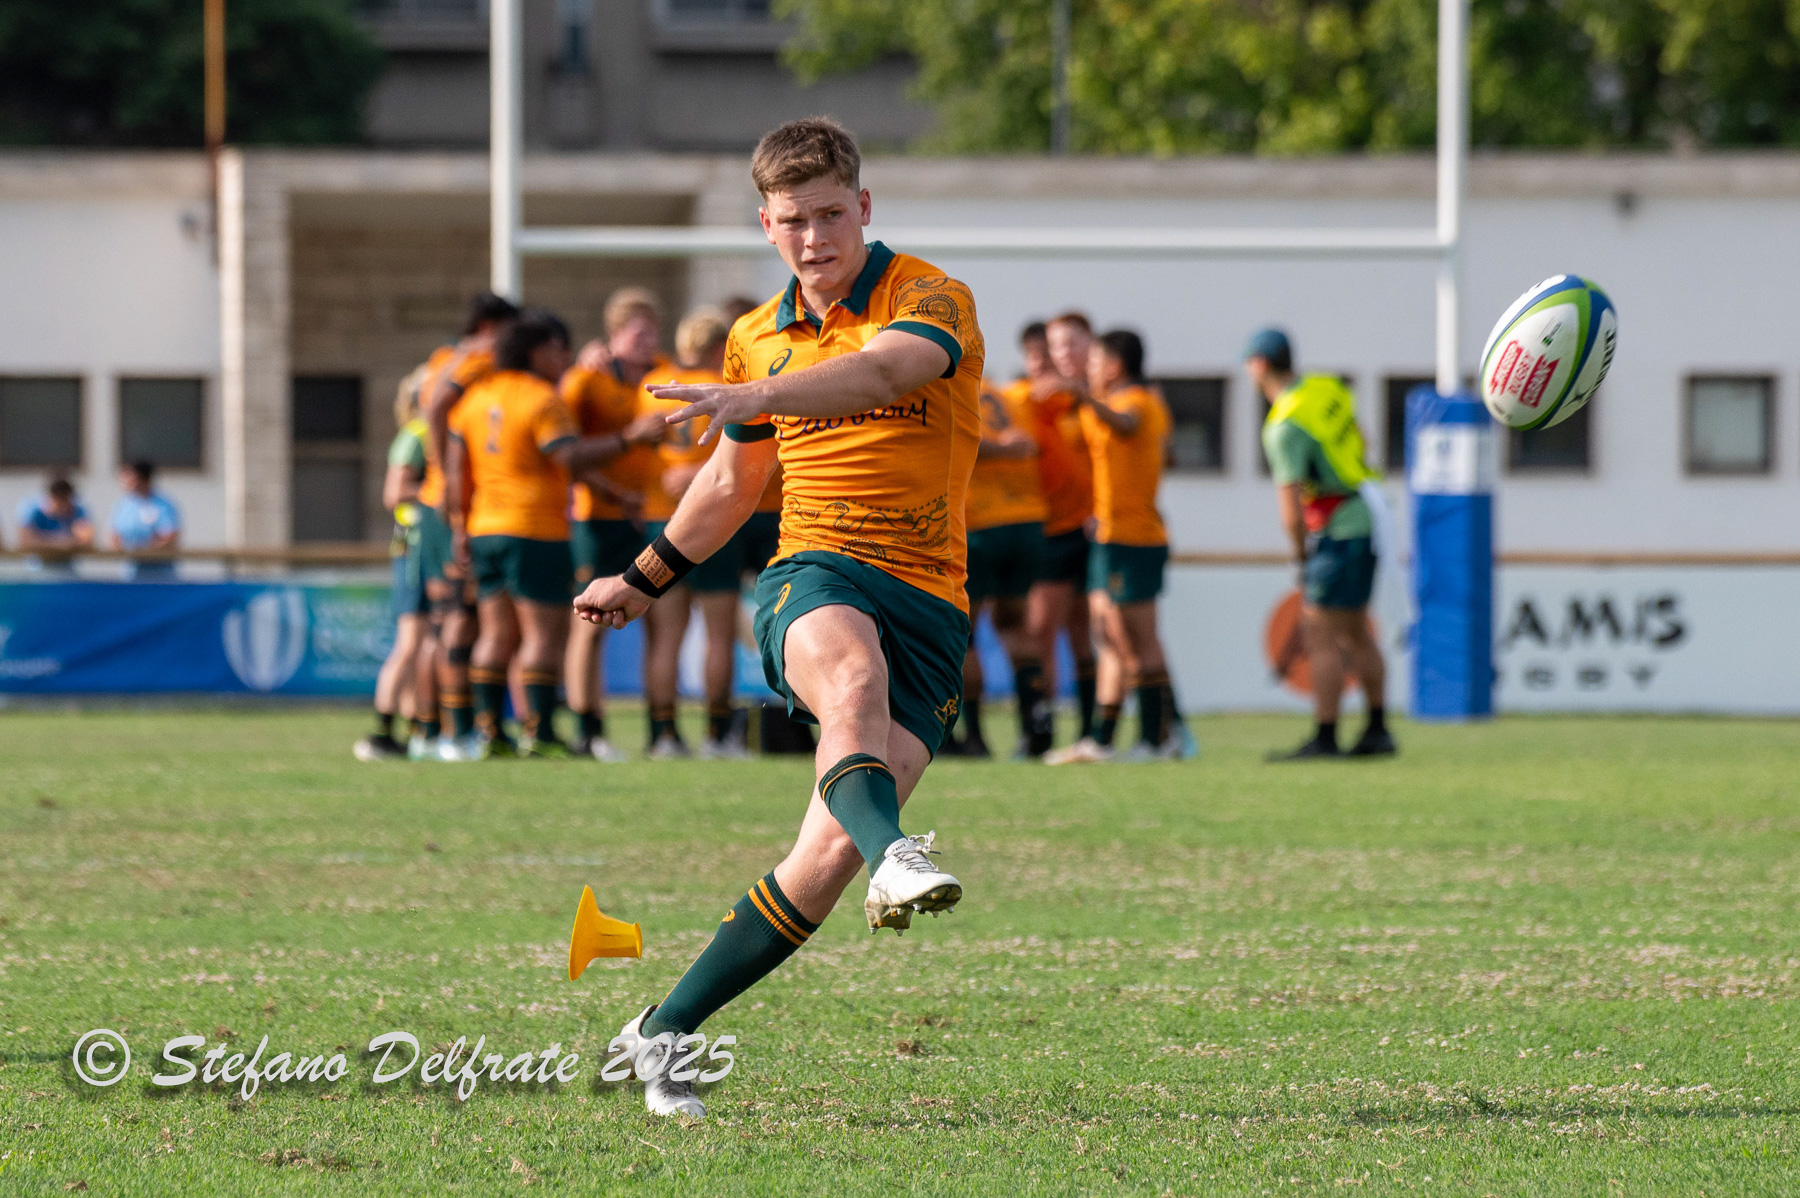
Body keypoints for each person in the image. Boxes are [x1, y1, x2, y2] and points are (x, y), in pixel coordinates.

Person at [575, 117, 979, 1119]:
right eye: (793, 220)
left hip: (930, 596)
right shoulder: (757, 333)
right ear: (766, 223)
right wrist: (645, 576)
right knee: (849, 681)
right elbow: (729, 483)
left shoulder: (931, 297)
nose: (814, 238)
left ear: (864, 209)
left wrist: (752, 390)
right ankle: (901, 851)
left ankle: (659, 1031)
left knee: (822, 858)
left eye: (831, 215)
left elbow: (885, 374)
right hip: (816, 568)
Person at [445, 309, 661, 760]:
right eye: (559, 349)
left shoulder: (475, 399)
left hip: (485, 526)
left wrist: (458, 526)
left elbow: (455, 473)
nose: (564, 358)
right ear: (539, 351)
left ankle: (488, 734)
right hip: (534, 528)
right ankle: (540, 732)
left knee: (495, 633)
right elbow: (567, 458)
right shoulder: (542, 399)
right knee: (543, 636)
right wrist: (630, 440)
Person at [1246, 328, 1396, 760]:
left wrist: (1298, 554)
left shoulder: (1283, 424)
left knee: (1320, 634)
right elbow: (1362, 438)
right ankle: (1377, 729)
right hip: (1367, 513)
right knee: (1355, 630)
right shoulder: (1325, 386)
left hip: (1335, 528)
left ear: (1259, 365)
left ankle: (1326, 736)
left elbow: (1290, 509)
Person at [1047, 329, 1191, 764]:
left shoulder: (1138, 403)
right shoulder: (1110, 405)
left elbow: (1127, 426)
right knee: (1109, 634)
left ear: (1114, 366)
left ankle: (1157, 739)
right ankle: (1103, 738)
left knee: (1139, 639)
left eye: (1093, 361)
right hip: (1109, 536)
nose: (1086, 369)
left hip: (1136, 538)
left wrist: (1085, 398)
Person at [560, 288, 675, 761]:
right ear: (614, 334)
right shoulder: (586, 380)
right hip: (599, 516)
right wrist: (614, 486)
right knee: (590, 624)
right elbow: (565, 455)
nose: (648, 341)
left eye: (653, 331)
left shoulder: (665, 374)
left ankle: (662, 731)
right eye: (638, 332)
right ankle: (589, 729)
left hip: (653, 516)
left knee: (658, 620)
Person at [634, 308, 753, 760]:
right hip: (710, 516)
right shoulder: (724, 384)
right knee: (717, 634)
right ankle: (717, 735)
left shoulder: (651, 387)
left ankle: (663, 733)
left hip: (659, 516)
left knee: (666, 636)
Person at [420, 291, 520, 758]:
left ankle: (448, 730)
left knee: (459, 621)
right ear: (488, 327)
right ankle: (455, 731)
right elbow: (438, 407)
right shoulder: (476, 358)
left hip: (461, 501)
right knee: (460, 618)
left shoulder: (444, 357)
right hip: (456, 503)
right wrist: (442, 476)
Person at [945, 372, 1052, 758]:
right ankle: (1036, 725)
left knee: (965, 634)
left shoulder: (952, 392)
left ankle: (973, 736)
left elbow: (964, 442)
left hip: (982, 525)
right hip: (1027, 520)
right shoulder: (1013, 396)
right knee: (1015, 625)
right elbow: (1034, 443)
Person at [355, 378, 433, 762]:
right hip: (415, 545)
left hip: (422, 545)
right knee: (410, 642)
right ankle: (380, 732)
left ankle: (411, 727)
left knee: (417, 643)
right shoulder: (417, 435)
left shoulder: (428, 434)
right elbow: (394, 493)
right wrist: (438, 490)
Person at [1037, 312, 1101, 744]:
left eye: (1074, 342)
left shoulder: (1108, 399)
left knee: (1090, 633)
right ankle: (1041, 729)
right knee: (1042, 628)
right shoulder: (1044, 400)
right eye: (1057, 344)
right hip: (1053, 528)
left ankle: (1092, 730)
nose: (1065, 352)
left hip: (1094, 530)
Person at [109, 461, 180, 579]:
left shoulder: (163, 505)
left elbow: (170, 537)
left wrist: (145, 550)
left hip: (160, 575)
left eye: (131, 479)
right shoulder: (124, 505)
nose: (126, 482)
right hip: (131, 574)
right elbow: (114, 536)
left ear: (144, 479)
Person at [15, 475, 93, 573]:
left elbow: (86, 540)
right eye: (59, 501)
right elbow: (25, 541)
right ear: (51, 498)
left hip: (68, 570)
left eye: (66, 501)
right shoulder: (33, 509)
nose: (63, 506)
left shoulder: (77, 510)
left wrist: (42, 540)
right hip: (38, 570)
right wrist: (60, 543)